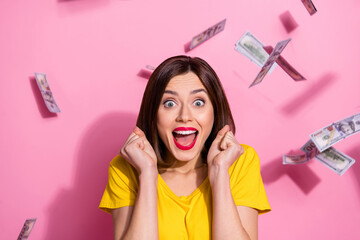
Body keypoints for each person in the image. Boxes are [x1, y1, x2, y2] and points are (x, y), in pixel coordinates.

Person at [99, 55, 271, 240]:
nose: (184, 116)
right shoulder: (126, 169)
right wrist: (147, 174)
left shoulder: (240, 161)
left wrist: (219, 172)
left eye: (198, 102)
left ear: (215, 110)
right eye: (169, 103)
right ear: (153, 113)